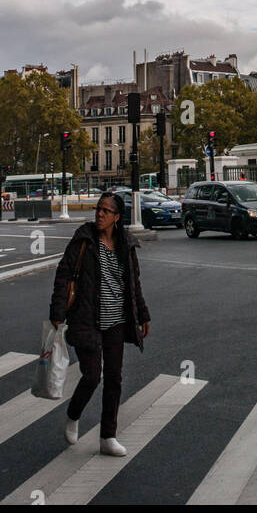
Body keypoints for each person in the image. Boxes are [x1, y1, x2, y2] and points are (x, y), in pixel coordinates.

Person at [50, 191, 150, 456]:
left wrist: (142, 314)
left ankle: (108, 436)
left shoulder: (125, 244)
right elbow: (63, 274)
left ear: (117, 217)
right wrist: (57, 312)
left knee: (114, 379)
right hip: (86, 318)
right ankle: (73, 414)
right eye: (98, 209)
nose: (100, 214)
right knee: (93, 375)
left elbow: (133, 283)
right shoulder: (84, 239)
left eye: (106, 211)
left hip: (116, 320)